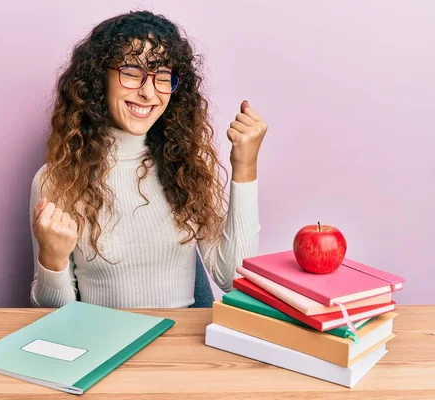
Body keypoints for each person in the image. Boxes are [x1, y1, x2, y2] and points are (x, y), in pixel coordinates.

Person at [30, 10, 267, 308]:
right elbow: (56, 316)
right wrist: (52, 259)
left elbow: (233, 278)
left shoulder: (186, 169)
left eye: (162, 77)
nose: (148, 93)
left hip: (179, 346)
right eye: (131, 72)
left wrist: (245, 166)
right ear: (99, 78)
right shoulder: (57, 180)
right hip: (105, 345)